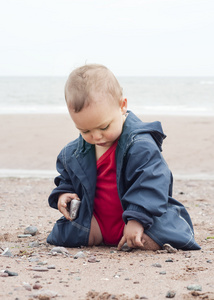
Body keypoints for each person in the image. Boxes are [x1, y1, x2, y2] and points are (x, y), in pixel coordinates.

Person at [47, 64, 200, 251]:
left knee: (159, 236)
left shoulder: (140, 145)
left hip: (139, 218)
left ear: (122, 106)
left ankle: (137, 233)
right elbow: (67, 179)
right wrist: (63, 194)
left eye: (104, 127)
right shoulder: (73, 152)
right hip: (98, 221)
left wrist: (137, 219)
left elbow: (151, 183)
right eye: (85, 130)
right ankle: (102, 236)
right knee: (65, 234)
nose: (96, 136)